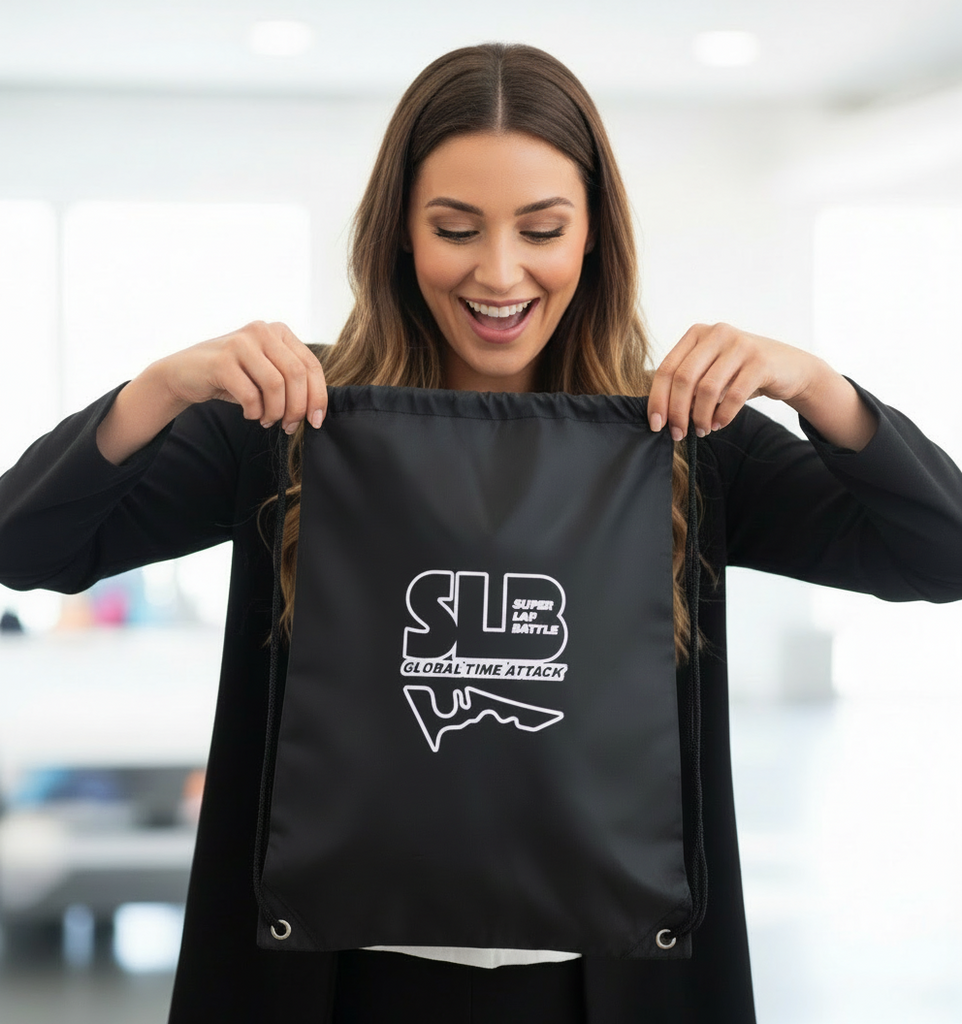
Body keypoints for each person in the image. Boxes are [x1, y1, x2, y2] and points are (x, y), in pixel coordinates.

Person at [1, 41, 961, 1024]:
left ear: (591, 235)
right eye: (454, 228)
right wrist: (160, 388)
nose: (498, 273)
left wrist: (818, 389)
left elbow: (939, 551)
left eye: (540, 228)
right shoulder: (290, 422)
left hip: (605, 984)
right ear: (399, 236)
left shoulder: (677, 435)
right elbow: (27, 546)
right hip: (334, 983)